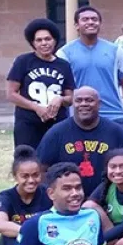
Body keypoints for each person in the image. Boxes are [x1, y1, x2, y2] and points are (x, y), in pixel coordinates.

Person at [36, 87, 123, 195]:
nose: (83, 104)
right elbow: (41, 169)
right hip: (67, 201)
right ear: (73, 104)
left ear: (99, 103)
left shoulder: (116, 132)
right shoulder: (56, 133)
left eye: (89, 100)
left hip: (106, 199)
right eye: (78, 100)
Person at [58, 6, 123, 130]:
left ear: (99, 24)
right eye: (85, 19)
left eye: (94, 19)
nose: (90, 22)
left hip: (115, 117)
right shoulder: (64, 53)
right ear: (77, 25)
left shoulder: (115, 51)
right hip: (79, 118)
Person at [8, 18, 75, 149]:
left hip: (57, 123)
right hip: (28, 124)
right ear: (33, 43)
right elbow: (11, 94)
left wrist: (60, 99)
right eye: (39, 40)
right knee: (27, 161)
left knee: (56, 162)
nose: (44, 43)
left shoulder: (64, 65)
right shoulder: (23, 61)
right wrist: (36, 107)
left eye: (48, 39)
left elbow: (70, 97)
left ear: (54, 40)